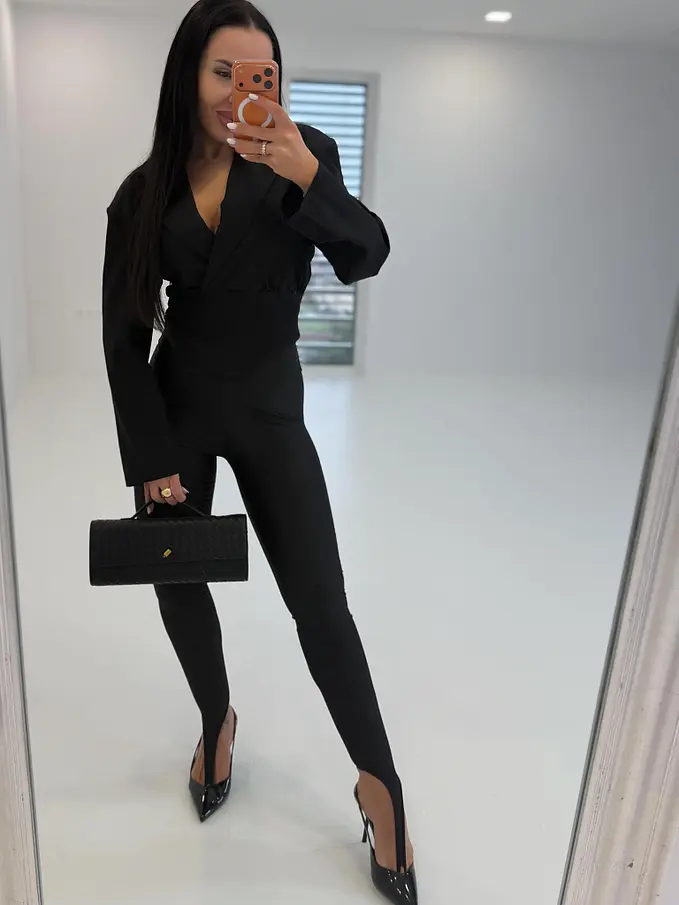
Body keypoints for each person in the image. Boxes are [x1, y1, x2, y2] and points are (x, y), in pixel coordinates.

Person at [101, 1, 417, 901]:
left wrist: (306, 174)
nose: (240, 89)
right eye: (222, 71)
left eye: (260, 73)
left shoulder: (304, 152)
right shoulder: (143, 190)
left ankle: (380, 783)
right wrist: (148, 457)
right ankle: (215, 721)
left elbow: (366, 254)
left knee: (321, 603)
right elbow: (124, 335)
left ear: (275, 81)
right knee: (177, 579)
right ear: (188, 76)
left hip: (273, 406)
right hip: (178, 408)